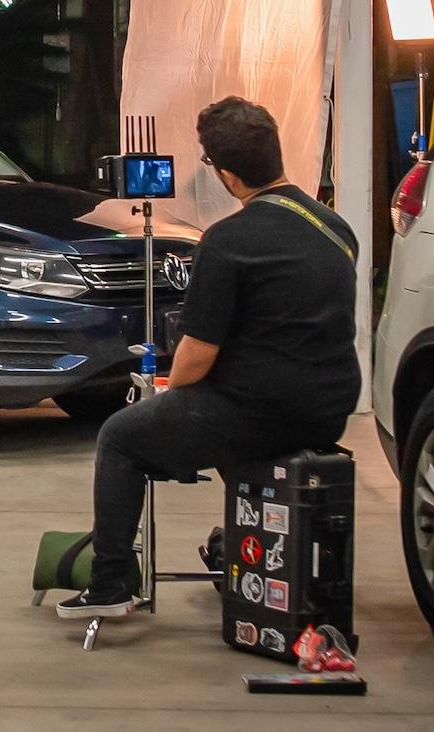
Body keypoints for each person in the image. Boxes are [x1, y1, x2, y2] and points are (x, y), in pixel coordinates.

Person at [57, 96, 360, 618]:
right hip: (328, 407)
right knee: (227, 432)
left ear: (226, 175)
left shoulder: (227, 241)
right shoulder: (337, 229)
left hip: (255, 410)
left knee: (122, 437)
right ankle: (242, 549)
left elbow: (199, 351)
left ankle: (109, 586)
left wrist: (170, 386)